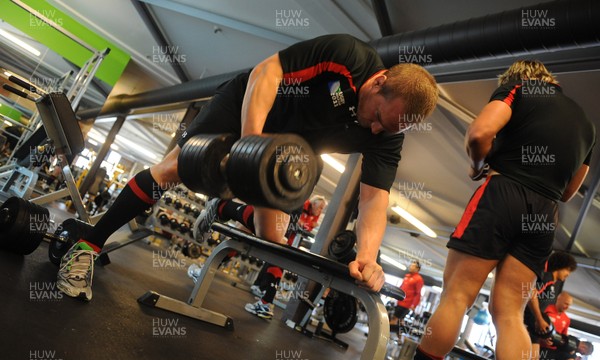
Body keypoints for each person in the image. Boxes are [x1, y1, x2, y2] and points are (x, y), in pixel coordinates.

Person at [56, 34, 439, 302]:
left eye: (385, 129)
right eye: (377, 117)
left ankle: (224, 209)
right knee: (174, 168)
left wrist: (368, 256)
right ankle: (89, 244)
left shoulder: (387, 134)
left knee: (272, 241)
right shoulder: (347, 55)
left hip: (287, 147)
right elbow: (266, 73)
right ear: (380, 82)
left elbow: (373, 200)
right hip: (248, 103)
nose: (373, 130)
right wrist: (249, 143)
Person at [411, 60, 595, 360]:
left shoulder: (518, 88)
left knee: (457, 294)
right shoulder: (587, 126)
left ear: (518, 76)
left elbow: (479, 134)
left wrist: (477, 164)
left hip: (503, 193)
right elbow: (568, 192)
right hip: (546, 215)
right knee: (510, 312)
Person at [189, 196, 327, 318]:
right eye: (320, 206)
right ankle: (204, 271)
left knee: (273, 246)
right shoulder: (303, 201)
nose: (320, 210)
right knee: (241, 236)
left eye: (322, 208)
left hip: (286, 218)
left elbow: (305, 226)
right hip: (284, 210)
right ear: (314, 203)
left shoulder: (303, 204)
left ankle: (221, 206)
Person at [528, 252, 578, 360]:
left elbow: (541, 307)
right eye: (568, 270)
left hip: (534, 328)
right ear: (560, 266)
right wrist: (539, 319)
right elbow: (531, 294)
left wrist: (546, 334)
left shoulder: (553, 284)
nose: (568, 274)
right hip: (527, 323)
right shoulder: (547, 277)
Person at [538, 292, 575, 360]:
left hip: (553, 350)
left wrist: (569, 348)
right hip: (539, 346)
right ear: (559, 300)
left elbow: (563, 338)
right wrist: (542, 339)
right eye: (566, 303)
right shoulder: (546, 309)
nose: (567, 307)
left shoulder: (566, 319)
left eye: (569, 305)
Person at [390, 260, 424, 334]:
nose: (410, 267)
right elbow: (401, 287)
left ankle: (383, 336)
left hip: (406, 304)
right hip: (400, 301)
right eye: (411, 265)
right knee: (400, 322)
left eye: (413, 266)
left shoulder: (418, 279)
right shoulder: (407, 276)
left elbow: (418, 293)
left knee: (394, 319)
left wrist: (414, 305)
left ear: (417, 269)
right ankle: (400, 339)